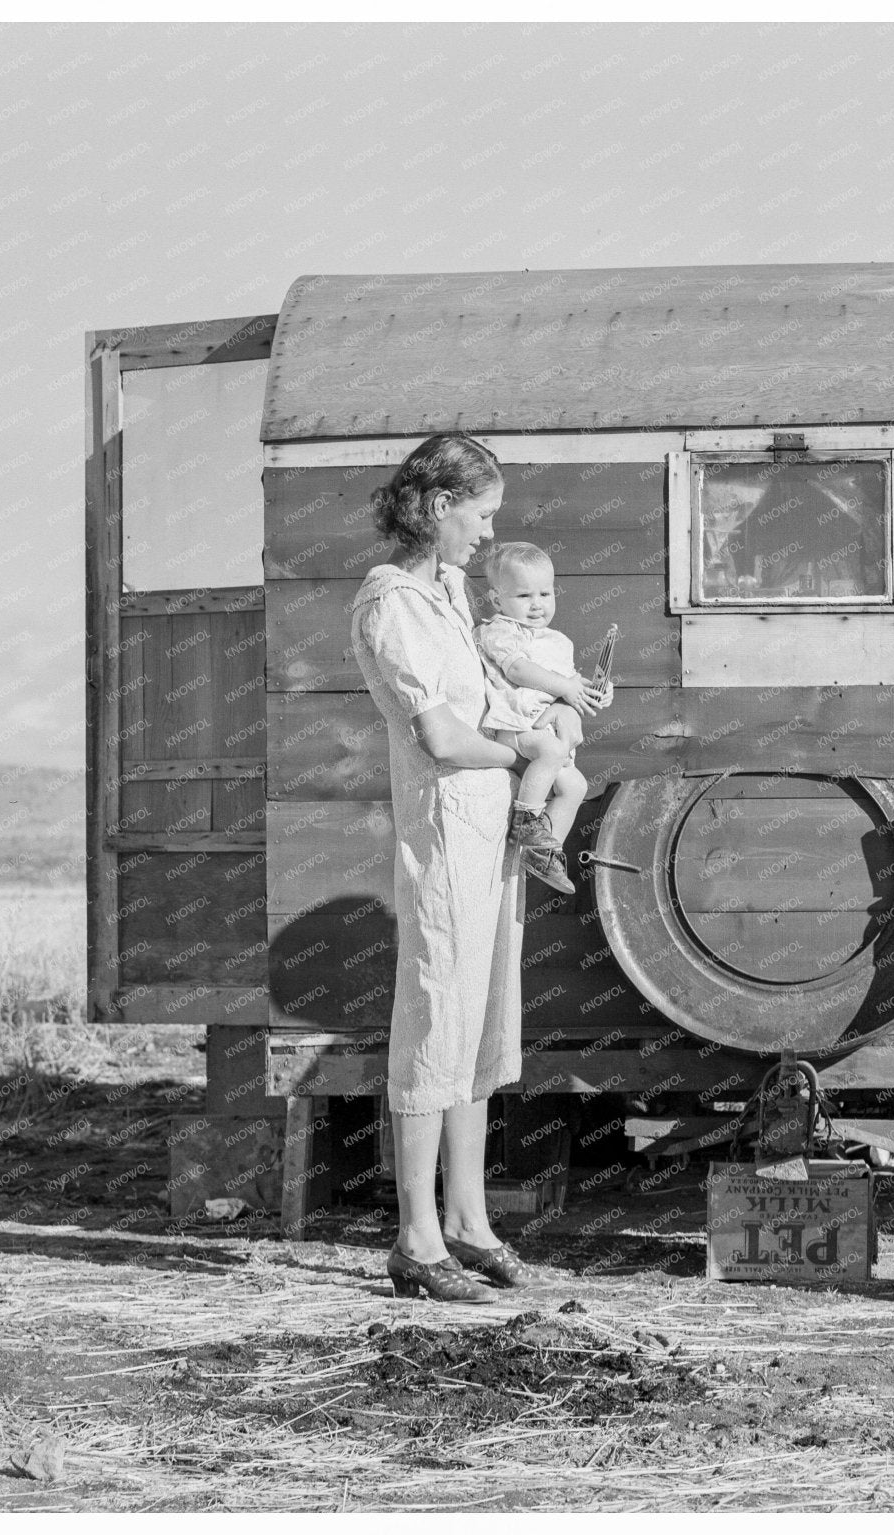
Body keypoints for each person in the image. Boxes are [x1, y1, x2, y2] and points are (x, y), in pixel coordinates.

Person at [348, 434, 601, 1304]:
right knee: (432, 1018)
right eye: (480, 514)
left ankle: (470, 1220)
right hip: (445, 834)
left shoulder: (451, 592)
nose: (487, 535)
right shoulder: (392, 606)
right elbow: (442, 736)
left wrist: (549, 712)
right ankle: (416, 1237)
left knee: (483, 1021)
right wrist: (526, 744)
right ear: (434, 506)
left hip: (494, 833)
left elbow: (490, 700)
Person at [473, 541, 603, 896]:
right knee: (550, 751)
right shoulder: (499, 630)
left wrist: (594, 691)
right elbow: (517, 668)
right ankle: (525, 821)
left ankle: (545, 852)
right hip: (516, 727)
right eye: (524, 595)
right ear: (498, 601)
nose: (537, 604)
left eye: (545, 593)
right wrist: (564, 686)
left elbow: (571, 684)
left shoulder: (559, 641)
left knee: (575, 786)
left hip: (547, 736)